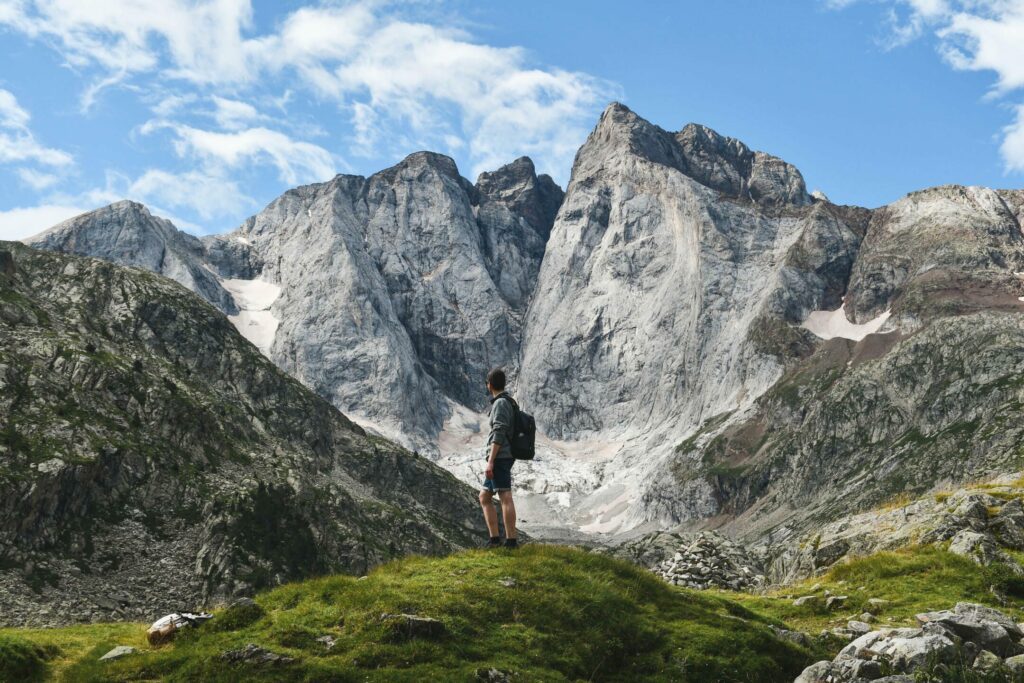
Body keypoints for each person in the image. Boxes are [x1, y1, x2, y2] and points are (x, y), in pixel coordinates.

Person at [479, 368, 518, 549]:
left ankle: (511, 541)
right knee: (485, 496)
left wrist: (491, 460)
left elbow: (499, 431)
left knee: (504, 495)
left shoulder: (501, 403)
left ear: (490, 384)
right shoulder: (505, 401)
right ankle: (495, 539)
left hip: (501, 456)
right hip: (502, 456)